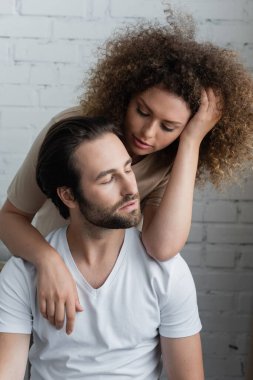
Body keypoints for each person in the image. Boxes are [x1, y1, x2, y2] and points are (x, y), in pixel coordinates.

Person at [0, 13, 253, 334]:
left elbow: (161, 246)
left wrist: (191, 142)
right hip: (44, 284)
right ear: (126, 95)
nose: (148, 133)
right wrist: (49, 261)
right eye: (142, 112)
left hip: (112, 296)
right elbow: (9, 217)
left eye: (168, 126)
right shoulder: (72, 132)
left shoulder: (169, 159)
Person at [0, 117, 203, 380]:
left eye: (128, 169)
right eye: (108, 180)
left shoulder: (168, 272)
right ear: (69, 196)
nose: (131, 189)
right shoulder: (22, 274)